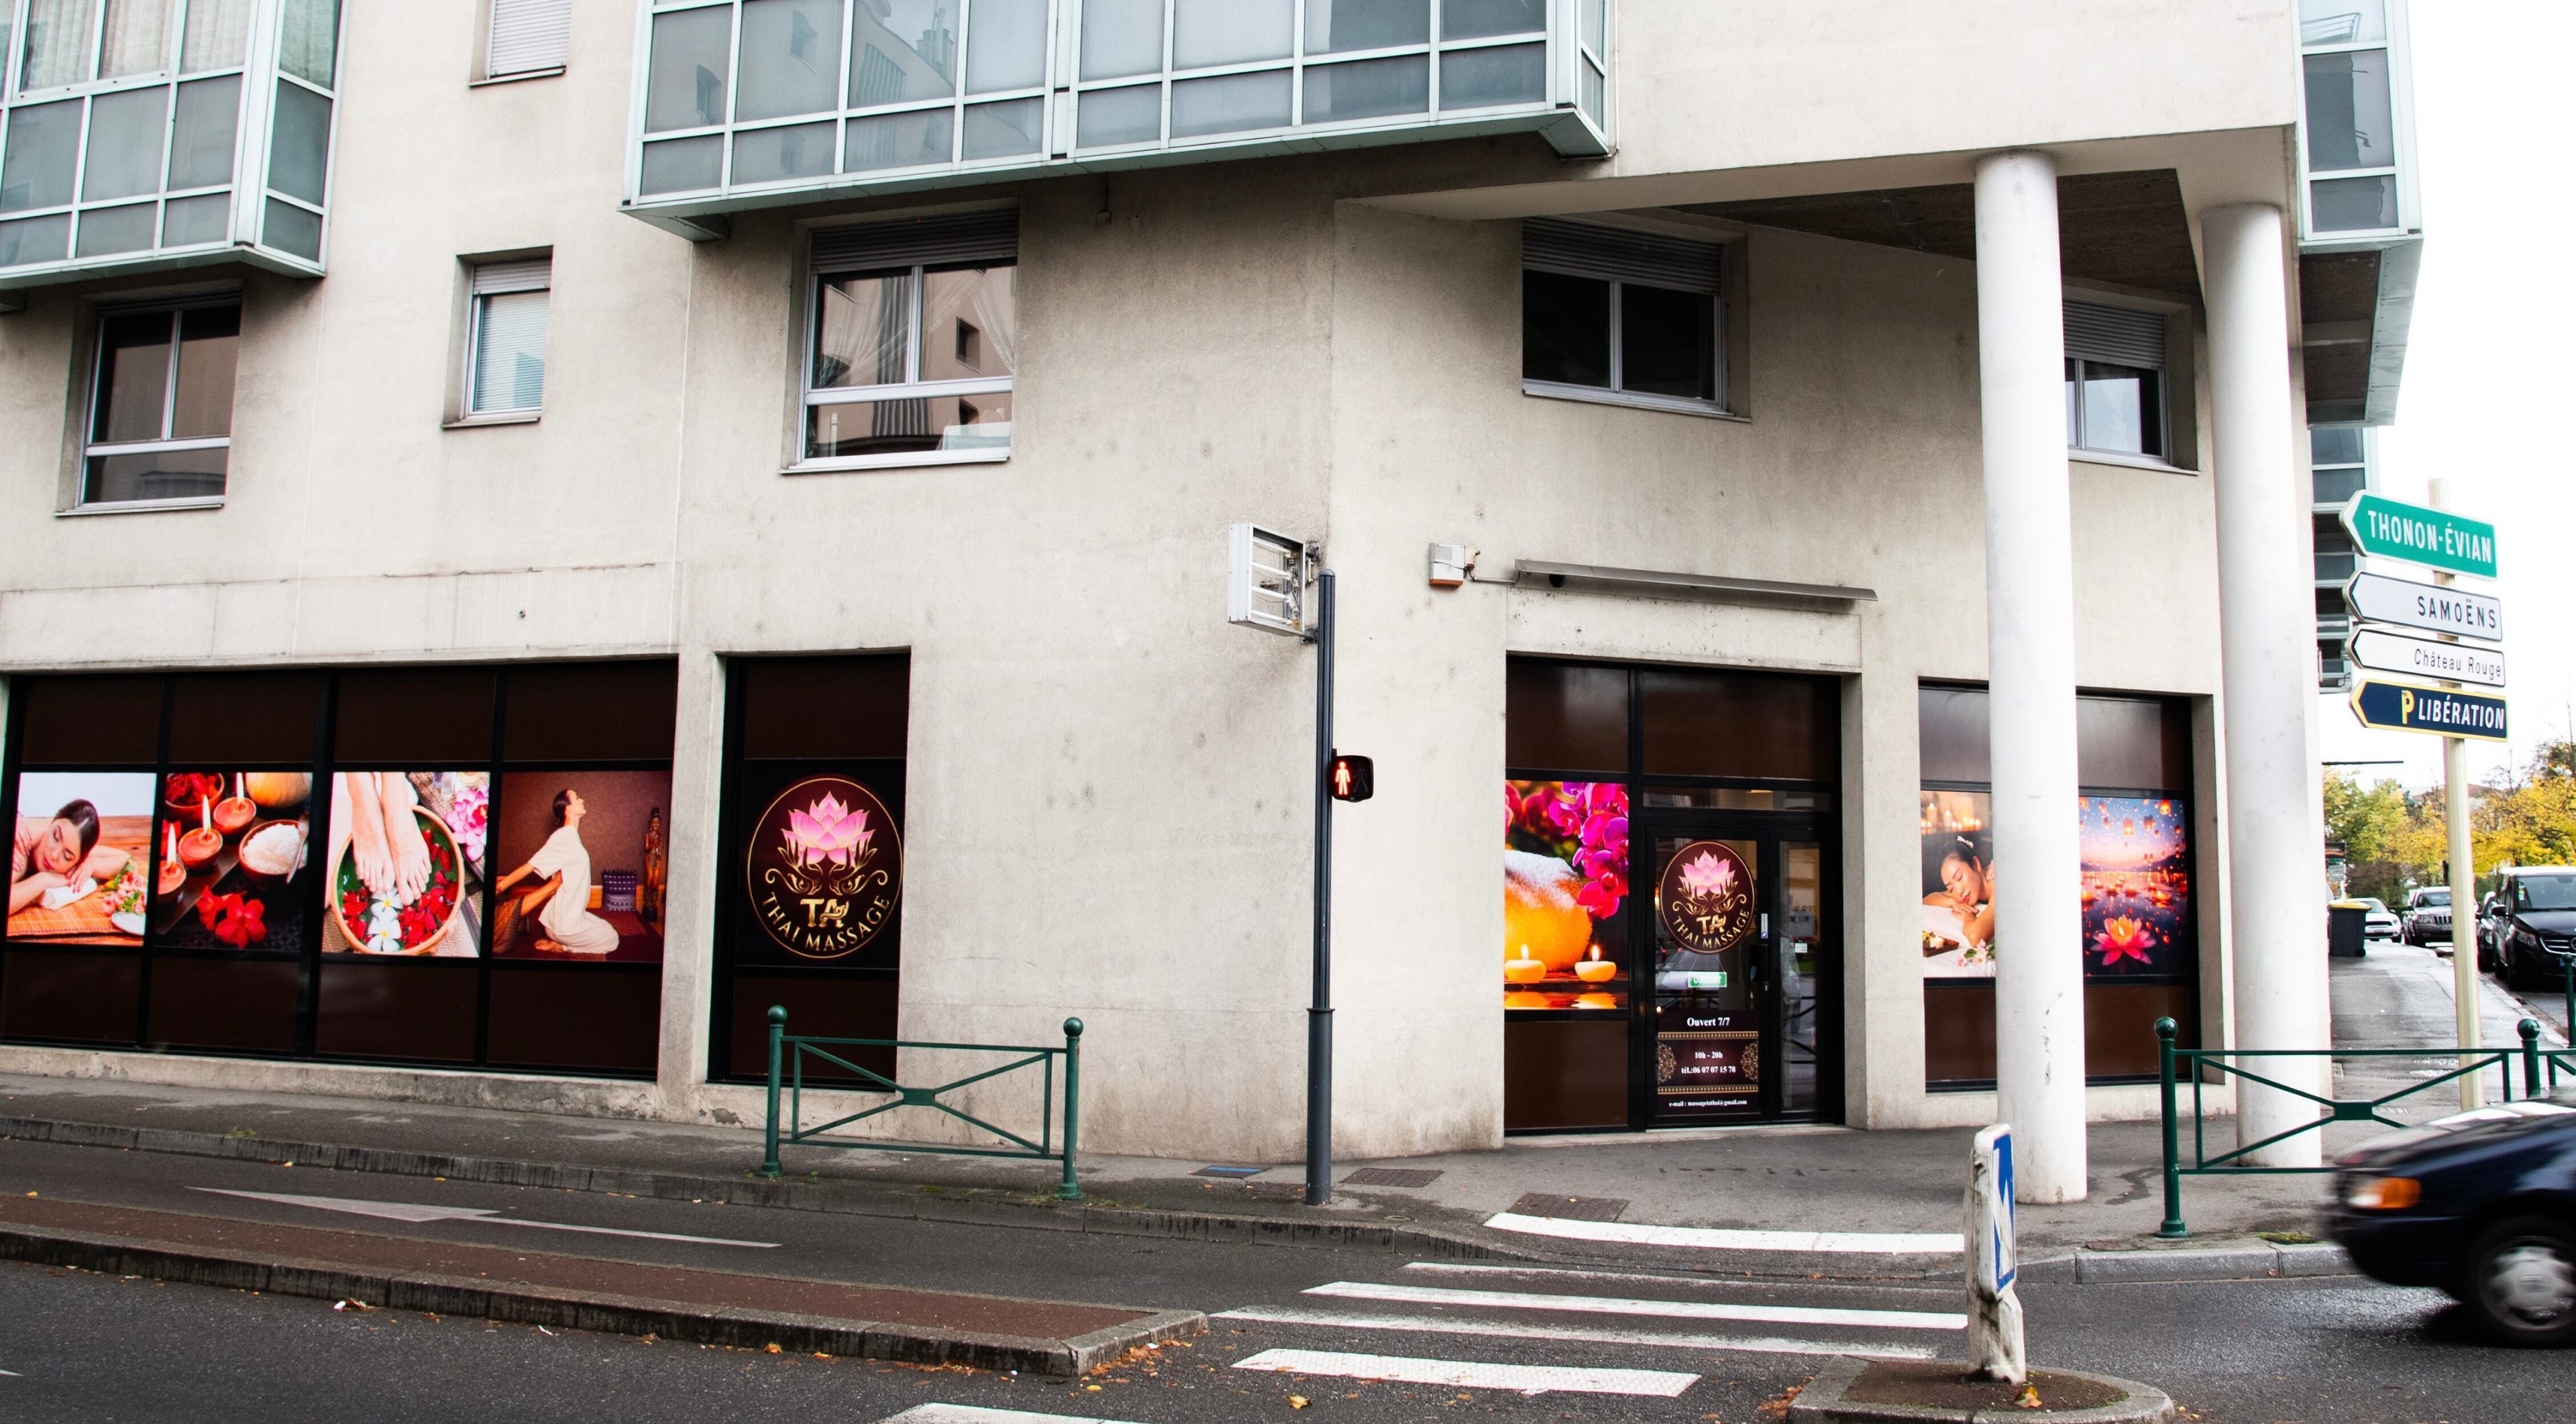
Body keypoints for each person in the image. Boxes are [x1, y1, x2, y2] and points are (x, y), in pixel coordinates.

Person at [494, 789, 621, 955]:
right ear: (568, 809)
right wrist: (501, 886)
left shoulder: (571, 836)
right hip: (564, 924)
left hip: (570, 917)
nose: (582, 800)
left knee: (605, 927)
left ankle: (561, 939)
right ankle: (561, 946)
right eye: (577, 798)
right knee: (612, 939)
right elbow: (530, 865)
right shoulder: (564, 837)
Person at [11, 800, 128, 916]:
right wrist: (44, 880)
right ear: (52, 822)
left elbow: (126, 860)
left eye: (67, 856)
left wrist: (91, 865)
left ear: (79, 860)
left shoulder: (70, 840)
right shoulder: (22, 843)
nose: (54, 855)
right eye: (55, 837)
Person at [1923, 838, 1998, 974]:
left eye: (1959, 877)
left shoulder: (1998, 884)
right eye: (1951, 888)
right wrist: (1953, 902)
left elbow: (1975, 937)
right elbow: (1927, 899)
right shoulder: (1964, 893)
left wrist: (1968, 915)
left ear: (1976, 864)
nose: (1959, 890)